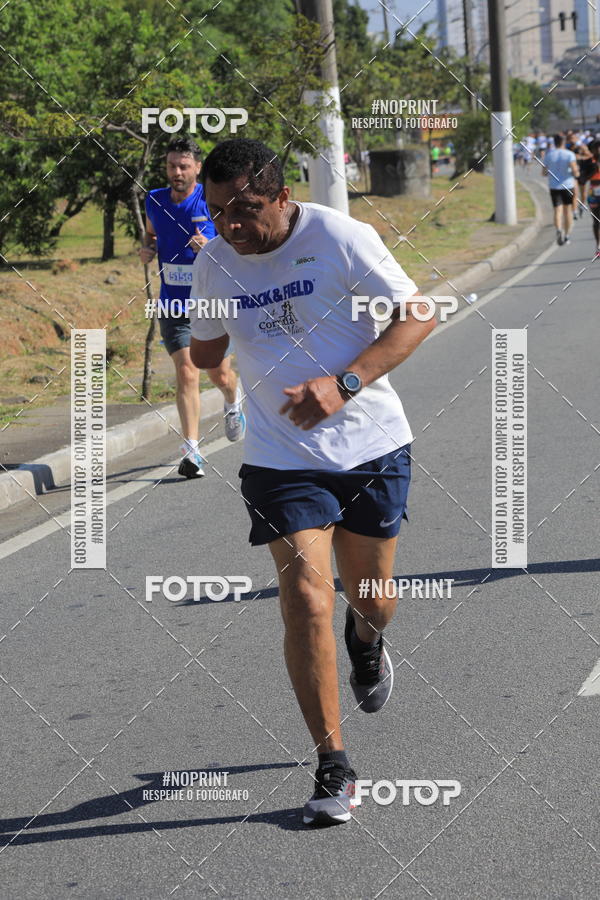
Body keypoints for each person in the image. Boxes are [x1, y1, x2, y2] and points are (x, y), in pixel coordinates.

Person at [189, 139, 435, 827]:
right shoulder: (214, 262)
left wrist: (344, 382)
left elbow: (418, 314)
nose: (231, 225)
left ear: (282, 197)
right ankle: (333, 763)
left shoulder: (339, 236)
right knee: (304, 596)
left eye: (245, 209)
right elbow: (206, 350)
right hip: (281, 458)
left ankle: (368, 642)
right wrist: (202, 323)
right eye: (217, 212)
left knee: (372, 598)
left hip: (371, 446)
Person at [139, 137, 246, 479]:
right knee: (186, 370)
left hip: (209, 302)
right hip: (173, 303)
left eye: (184, 166)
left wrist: (211, 244)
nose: (177, 172)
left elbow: (236, 241)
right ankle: (192, 450)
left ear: (197, 168)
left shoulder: (210, 199)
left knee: (219, 374)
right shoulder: (154, 200)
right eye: (172, 166)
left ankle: (233, 401)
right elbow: (151, 235)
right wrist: (147, 248)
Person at [542, 133, 579, 245]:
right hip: (567, 185)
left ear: (554, 142)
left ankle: (558, 229)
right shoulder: (569, 154)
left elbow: (543, 173)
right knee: (567, 211)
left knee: (557, 210)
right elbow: (575, 171)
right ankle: (567, 235)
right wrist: (576, 173)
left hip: (554, 187)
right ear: (564, 142)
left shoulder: (549, 155)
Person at [586, 141, 600, 257]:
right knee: (596, 221)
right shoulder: (589, 162)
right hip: (594, 194)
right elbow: (582, 178)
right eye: (597, 148)